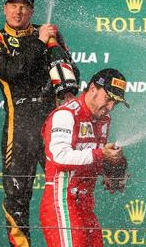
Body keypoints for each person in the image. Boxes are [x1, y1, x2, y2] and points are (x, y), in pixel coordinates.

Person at [0, 0, 79, 246]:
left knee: (65, 192)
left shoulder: (48, 34)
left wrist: (54, 47)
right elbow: (12, 71)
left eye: (24, 6)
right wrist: (39, 40)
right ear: (5, 8)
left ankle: (67, 241)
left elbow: (72, 78)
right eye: (13, 4)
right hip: (20, 128)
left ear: (32, 10)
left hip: (52, 127)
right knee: (16, 198)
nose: (18, 10)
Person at [40, 68, 129, 247]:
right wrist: (100, 154)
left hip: (86, 205)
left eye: (115, 102)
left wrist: (114, 168)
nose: (110, 106)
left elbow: (91, 160)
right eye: (108, 98)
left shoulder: (104, 120)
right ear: (93, 89)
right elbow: (59, 157)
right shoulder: (66, 114)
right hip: (62, 203)